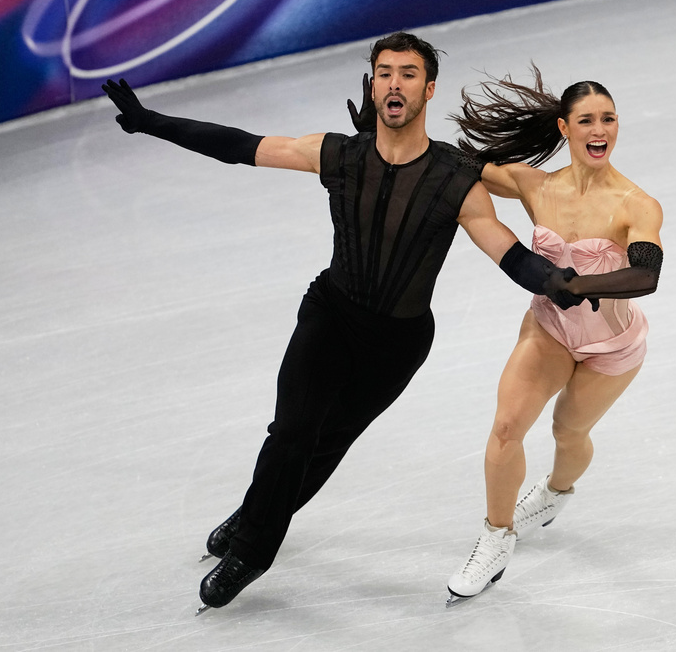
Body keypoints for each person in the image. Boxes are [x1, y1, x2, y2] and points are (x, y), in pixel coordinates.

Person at [102, 33, 589, 612]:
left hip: (397, 343)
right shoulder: (338, 154)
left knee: (326, 443)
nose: (394, 83)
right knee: (291, 432)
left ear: (428, 90)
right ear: (374, 84)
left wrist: (552, 281)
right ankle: (253, 550)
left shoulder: (457, 178)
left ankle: (257, 511)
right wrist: (151, 121)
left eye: (408, 74)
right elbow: (243, 146)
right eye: (384, 72)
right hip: (331, 314)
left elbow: (503, 248)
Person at [441, 67, 665, 604]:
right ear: (564, 128)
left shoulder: (637, 203)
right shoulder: (535, 185)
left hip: (613, 346)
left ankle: (557, 491)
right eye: (587, 119)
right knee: (507, 427)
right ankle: (497, 537)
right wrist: (382, 135)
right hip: (549, 328)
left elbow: (646, 275)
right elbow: (455, 164)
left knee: (568, 433)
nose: (600, 129)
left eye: (608, 119)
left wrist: (578, 282)